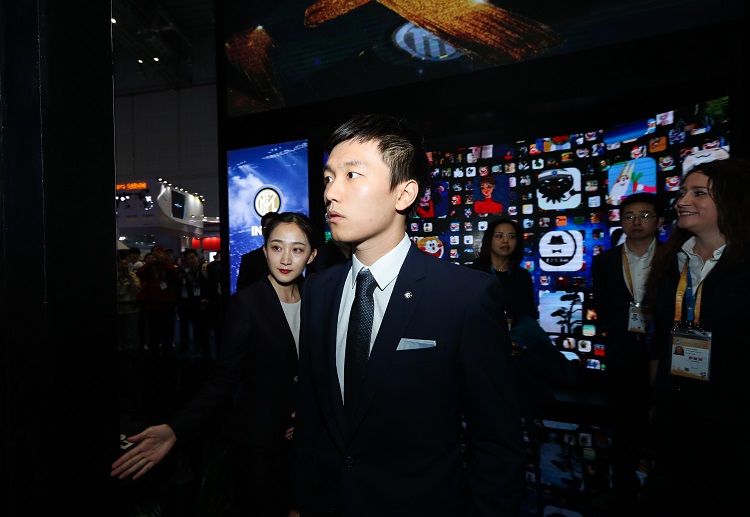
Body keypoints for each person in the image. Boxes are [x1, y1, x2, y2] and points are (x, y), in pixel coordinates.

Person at [292, 114, 524, 516]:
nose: (331, 192)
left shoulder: (464, 297)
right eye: (329, 178)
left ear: (404, 194)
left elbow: (496, 441)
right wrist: (299, 501)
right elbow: (313, 413)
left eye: (352, 175)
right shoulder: (319, 289)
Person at [111, 212, 318, 516]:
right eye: (277, 247)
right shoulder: (246, 304)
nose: (285, 258)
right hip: (259, 443)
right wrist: (176, 428)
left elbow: (320, 369)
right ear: (264, 251)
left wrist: (308, 411)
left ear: (311, 255)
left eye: (297, 249)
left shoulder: (317, 300)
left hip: (306, 443)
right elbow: (222, 379)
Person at [644, 158, 750, 516]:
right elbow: (662, 337)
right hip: (677, 412)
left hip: (734, 418)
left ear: (731, 200)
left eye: (698, 193)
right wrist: (657, 400)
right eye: (682, 192)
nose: (682, 201)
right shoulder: (671, 261)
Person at [591, 192, 664, 512]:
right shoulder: (605, 261)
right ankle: (622, 492)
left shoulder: (676, 257)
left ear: (660, 221)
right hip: (623, 352)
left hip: (667, 352)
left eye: (645, 215)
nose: (636, 222)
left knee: (665, 422)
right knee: (623, 425)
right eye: (629, 216)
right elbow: (603, 304)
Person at [466, 216, 537, 323]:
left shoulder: (523, 276)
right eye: (499, 236)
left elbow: (529, 315)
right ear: (489, 240)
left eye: (511, 237)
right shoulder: (472, 273)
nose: (505, 241)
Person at [236, 211, 278, 291]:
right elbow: (242, 292)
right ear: (262, 231)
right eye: (268, 227)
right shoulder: (249, 260)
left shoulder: (288, 257)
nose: (272, 231)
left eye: (275, 227)